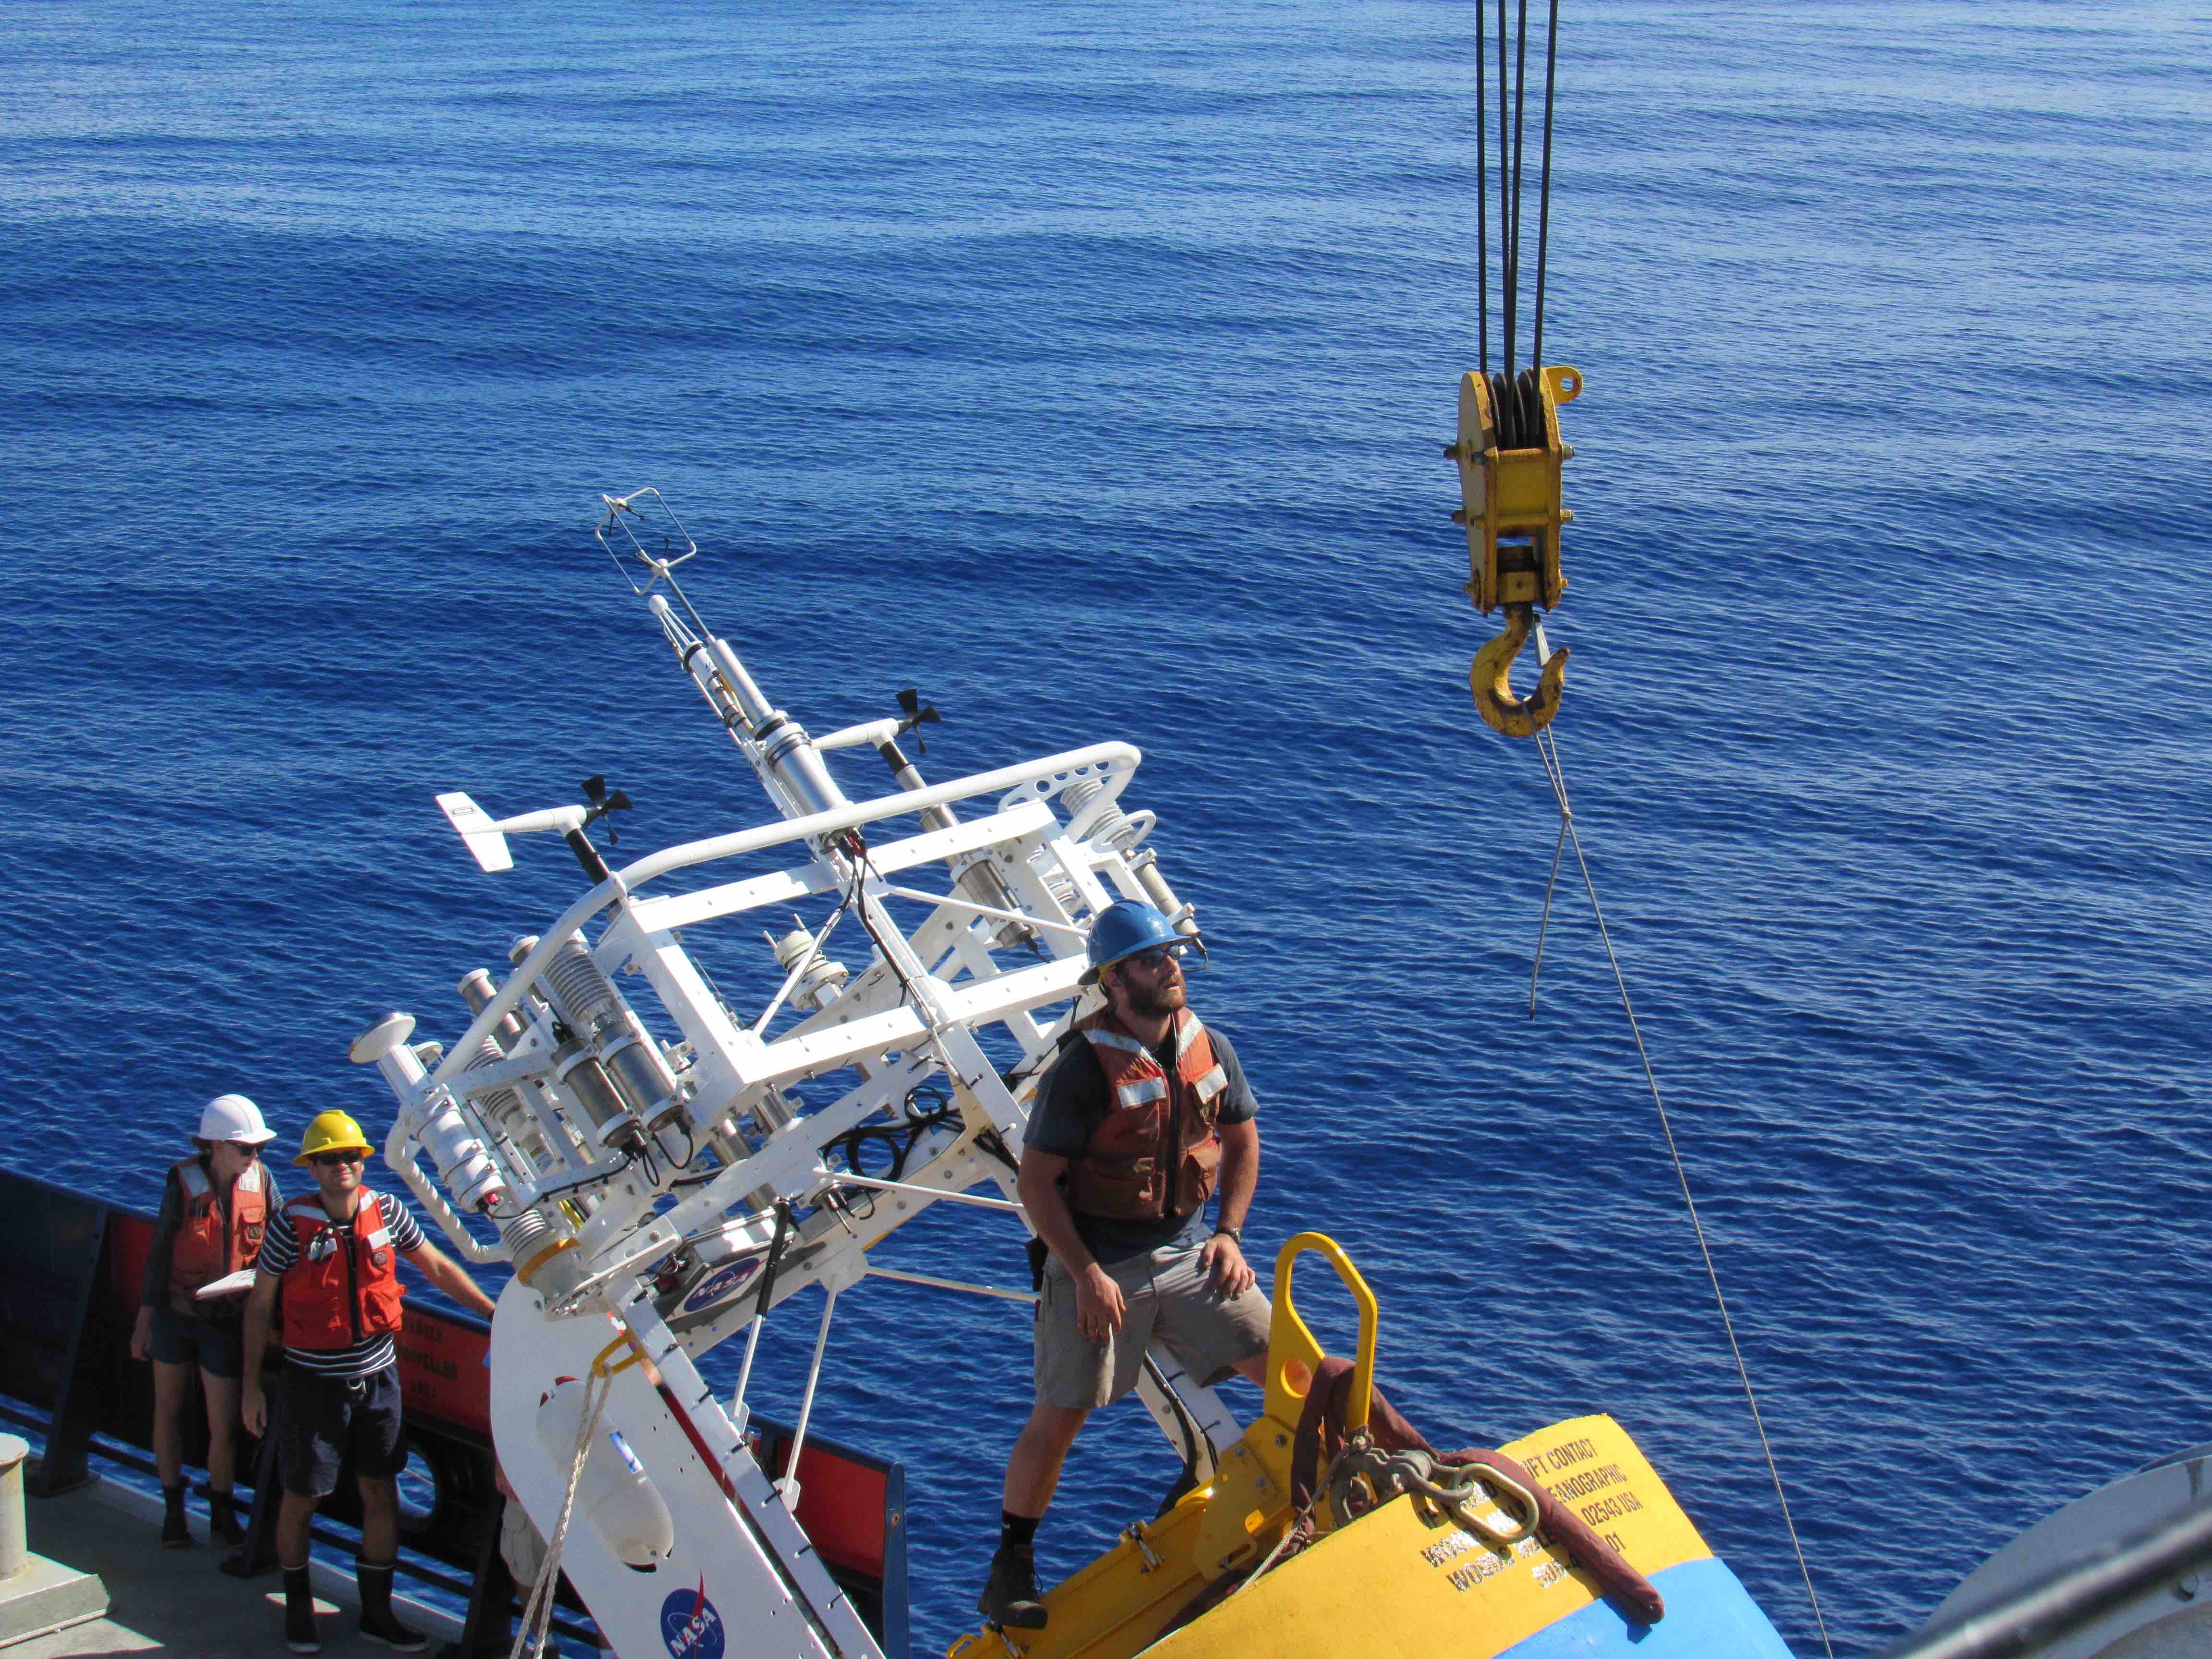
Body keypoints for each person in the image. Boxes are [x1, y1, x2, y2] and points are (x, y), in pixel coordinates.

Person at [979, 899, 1270, 1630]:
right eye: (1150, 959)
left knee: (1293, 1362)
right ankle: (1011, 1564)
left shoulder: (1212, 1046)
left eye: (1172, 954)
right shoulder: (1082, 1070)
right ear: (1113, 981)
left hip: (1186, 1252)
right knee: (1062, 1412)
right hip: (1097, 1262)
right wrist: (1083, 1275)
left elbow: (1242, 1144)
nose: (1170, 966)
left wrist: (1229, 1235)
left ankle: (1373, 1462)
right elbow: (1037, 1183)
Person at [241, 1109, 497, 1656]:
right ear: (313, 1168)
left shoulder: (388, 1212)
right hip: (313, 1385)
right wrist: (250, 1387)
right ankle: (298, 1609)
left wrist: (492, 1313)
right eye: (331, 1160)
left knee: (383, 1492)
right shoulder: (291, 1227)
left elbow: (436, 1267)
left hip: (378, 1383)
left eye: (352, 1157)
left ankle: (377, 1614)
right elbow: (260, 1305)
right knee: (302, 1496)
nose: (343, 1167)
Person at [132, 1092, 281, 1551]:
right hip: (177, 1317)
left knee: (224, 1425)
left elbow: (281, 1243)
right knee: (168, 1412)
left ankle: (221, 1513)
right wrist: (144, 1323)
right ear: (216, 1146)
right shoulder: (181, 1183)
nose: (254, 1156)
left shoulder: (263, 1181)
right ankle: (174, 1513)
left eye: (257, 1149)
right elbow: (159, 1257)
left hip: (226, 1321)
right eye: (246, 1148)